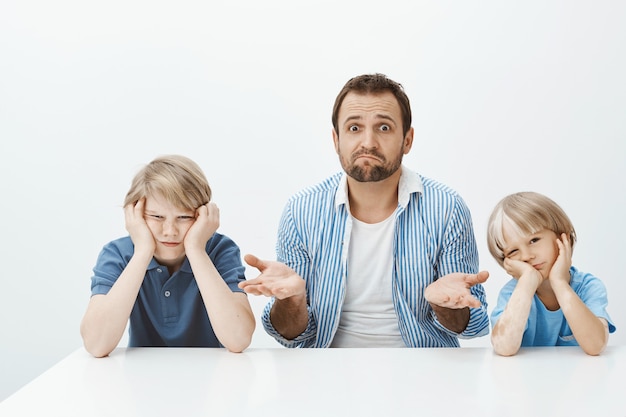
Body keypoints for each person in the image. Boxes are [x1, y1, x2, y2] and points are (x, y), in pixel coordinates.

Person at [239, 73, 490, 348]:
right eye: (354, 128)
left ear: (407, 139)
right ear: (336, 139)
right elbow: (290, 333)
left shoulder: (446, 209)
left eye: (383, 128)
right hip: (326, 374)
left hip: (424, 373)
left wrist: (446, 306)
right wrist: (292, 301)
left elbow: (472, 326)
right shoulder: (301, 211)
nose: (368, 142)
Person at [80, 155, 255, 357]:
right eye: (156, 216)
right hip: (140, 375)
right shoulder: (117, 254)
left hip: (209, 373)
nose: (170, 231)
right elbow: (96, 345)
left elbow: (238, 339)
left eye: (184, 217)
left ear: (203, 216)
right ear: (134, 213)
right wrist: (143, 252)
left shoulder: (220, 250)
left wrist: (196, 249)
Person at [486, 191, 616, 356]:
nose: (526, 256)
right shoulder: (513, 294)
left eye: (534, 240)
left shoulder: (589, 287)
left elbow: (596, 346)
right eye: (513, 251)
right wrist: (527, 282)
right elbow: (504, 348)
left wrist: (559, 282)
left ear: (563, 239)